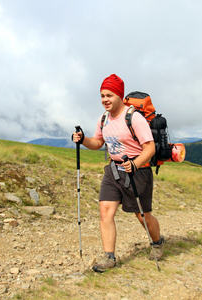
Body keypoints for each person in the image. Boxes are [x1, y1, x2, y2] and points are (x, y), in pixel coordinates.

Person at [72, 74, 165, 273]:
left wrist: (135, 163)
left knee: (142, 215)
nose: (105, 99)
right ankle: (109, 257)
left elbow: (149, 148)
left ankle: (157, 242)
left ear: (120, 96)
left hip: (137, 172)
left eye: (109, 95)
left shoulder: (134, 117)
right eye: (102, 95)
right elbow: (98, 143)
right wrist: (83, 140)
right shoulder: (103, 118)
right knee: (105, 211)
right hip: (113, 170)